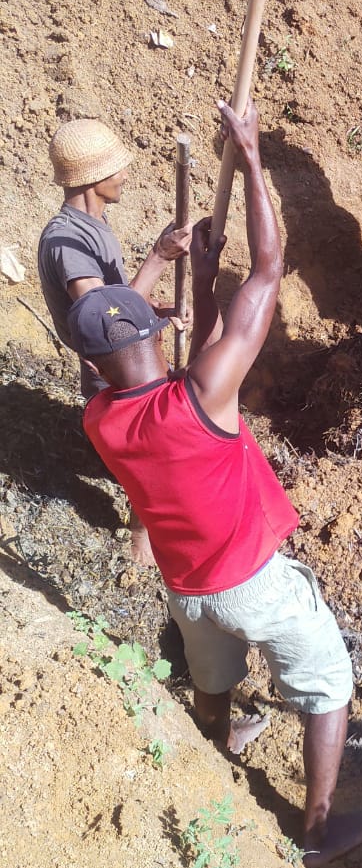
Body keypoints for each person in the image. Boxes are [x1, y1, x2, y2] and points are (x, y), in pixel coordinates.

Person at [67, 97, 362, 867]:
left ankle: (213, 748)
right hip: (252, 583)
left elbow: (182, 362)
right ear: (156, 331)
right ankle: (317, 830)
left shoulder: (102, 419)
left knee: (212, 676)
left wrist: (203, 284)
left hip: (187, 588)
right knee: (327, 682)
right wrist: (252, 154)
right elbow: (269, 270)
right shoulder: (202, 398)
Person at [38, 116, 192, 564]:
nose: (125, 175)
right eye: (117, 168)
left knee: (147, 446)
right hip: (111, 370)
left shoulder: (92, 224)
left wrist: (153, 313)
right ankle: (141, 531)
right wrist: (159, 257)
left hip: (120, 358)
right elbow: (107, 329)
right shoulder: (69, 244)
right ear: (95, 178)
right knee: (147, 453)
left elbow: (115, 303)